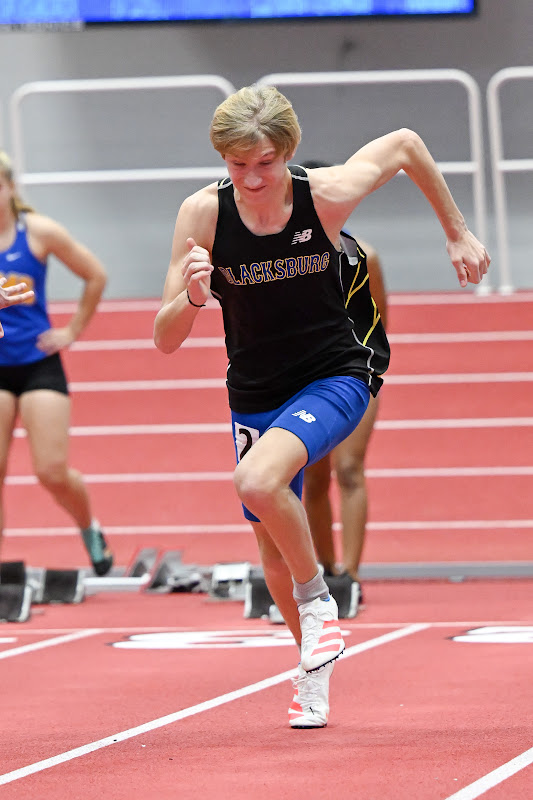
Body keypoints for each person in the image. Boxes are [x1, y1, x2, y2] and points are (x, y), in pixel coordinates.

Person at [153, 85, 489, 728]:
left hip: (335, 374)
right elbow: (165, 340)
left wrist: (458, 232)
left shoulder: (324, 195)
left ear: (290, 153)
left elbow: (405, 144)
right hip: (254, 389)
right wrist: (193, 298)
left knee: (256, 479)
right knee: (272, 554)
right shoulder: (201, 216)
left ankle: (320, 603)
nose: (252, 178)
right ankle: (312, 674)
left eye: (266, 162)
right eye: (237, 165)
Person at [0, 150, 114, 576]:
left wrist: (71, 331)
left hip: (36, 362)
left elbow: (95, 274)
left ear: (11, 187)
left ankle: (89, 528)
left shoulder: (39, 232)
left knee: (50, 470)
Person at [299, 159, 388, 611]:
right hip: (304, 376)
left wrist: (365, 374)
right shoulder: (287, 256)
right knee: (312, 477)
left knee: (349, 470)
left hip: (356, 371)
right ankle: (327, 571)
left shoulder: (363, 255)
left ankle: (351, 575)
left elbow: (378, 324)